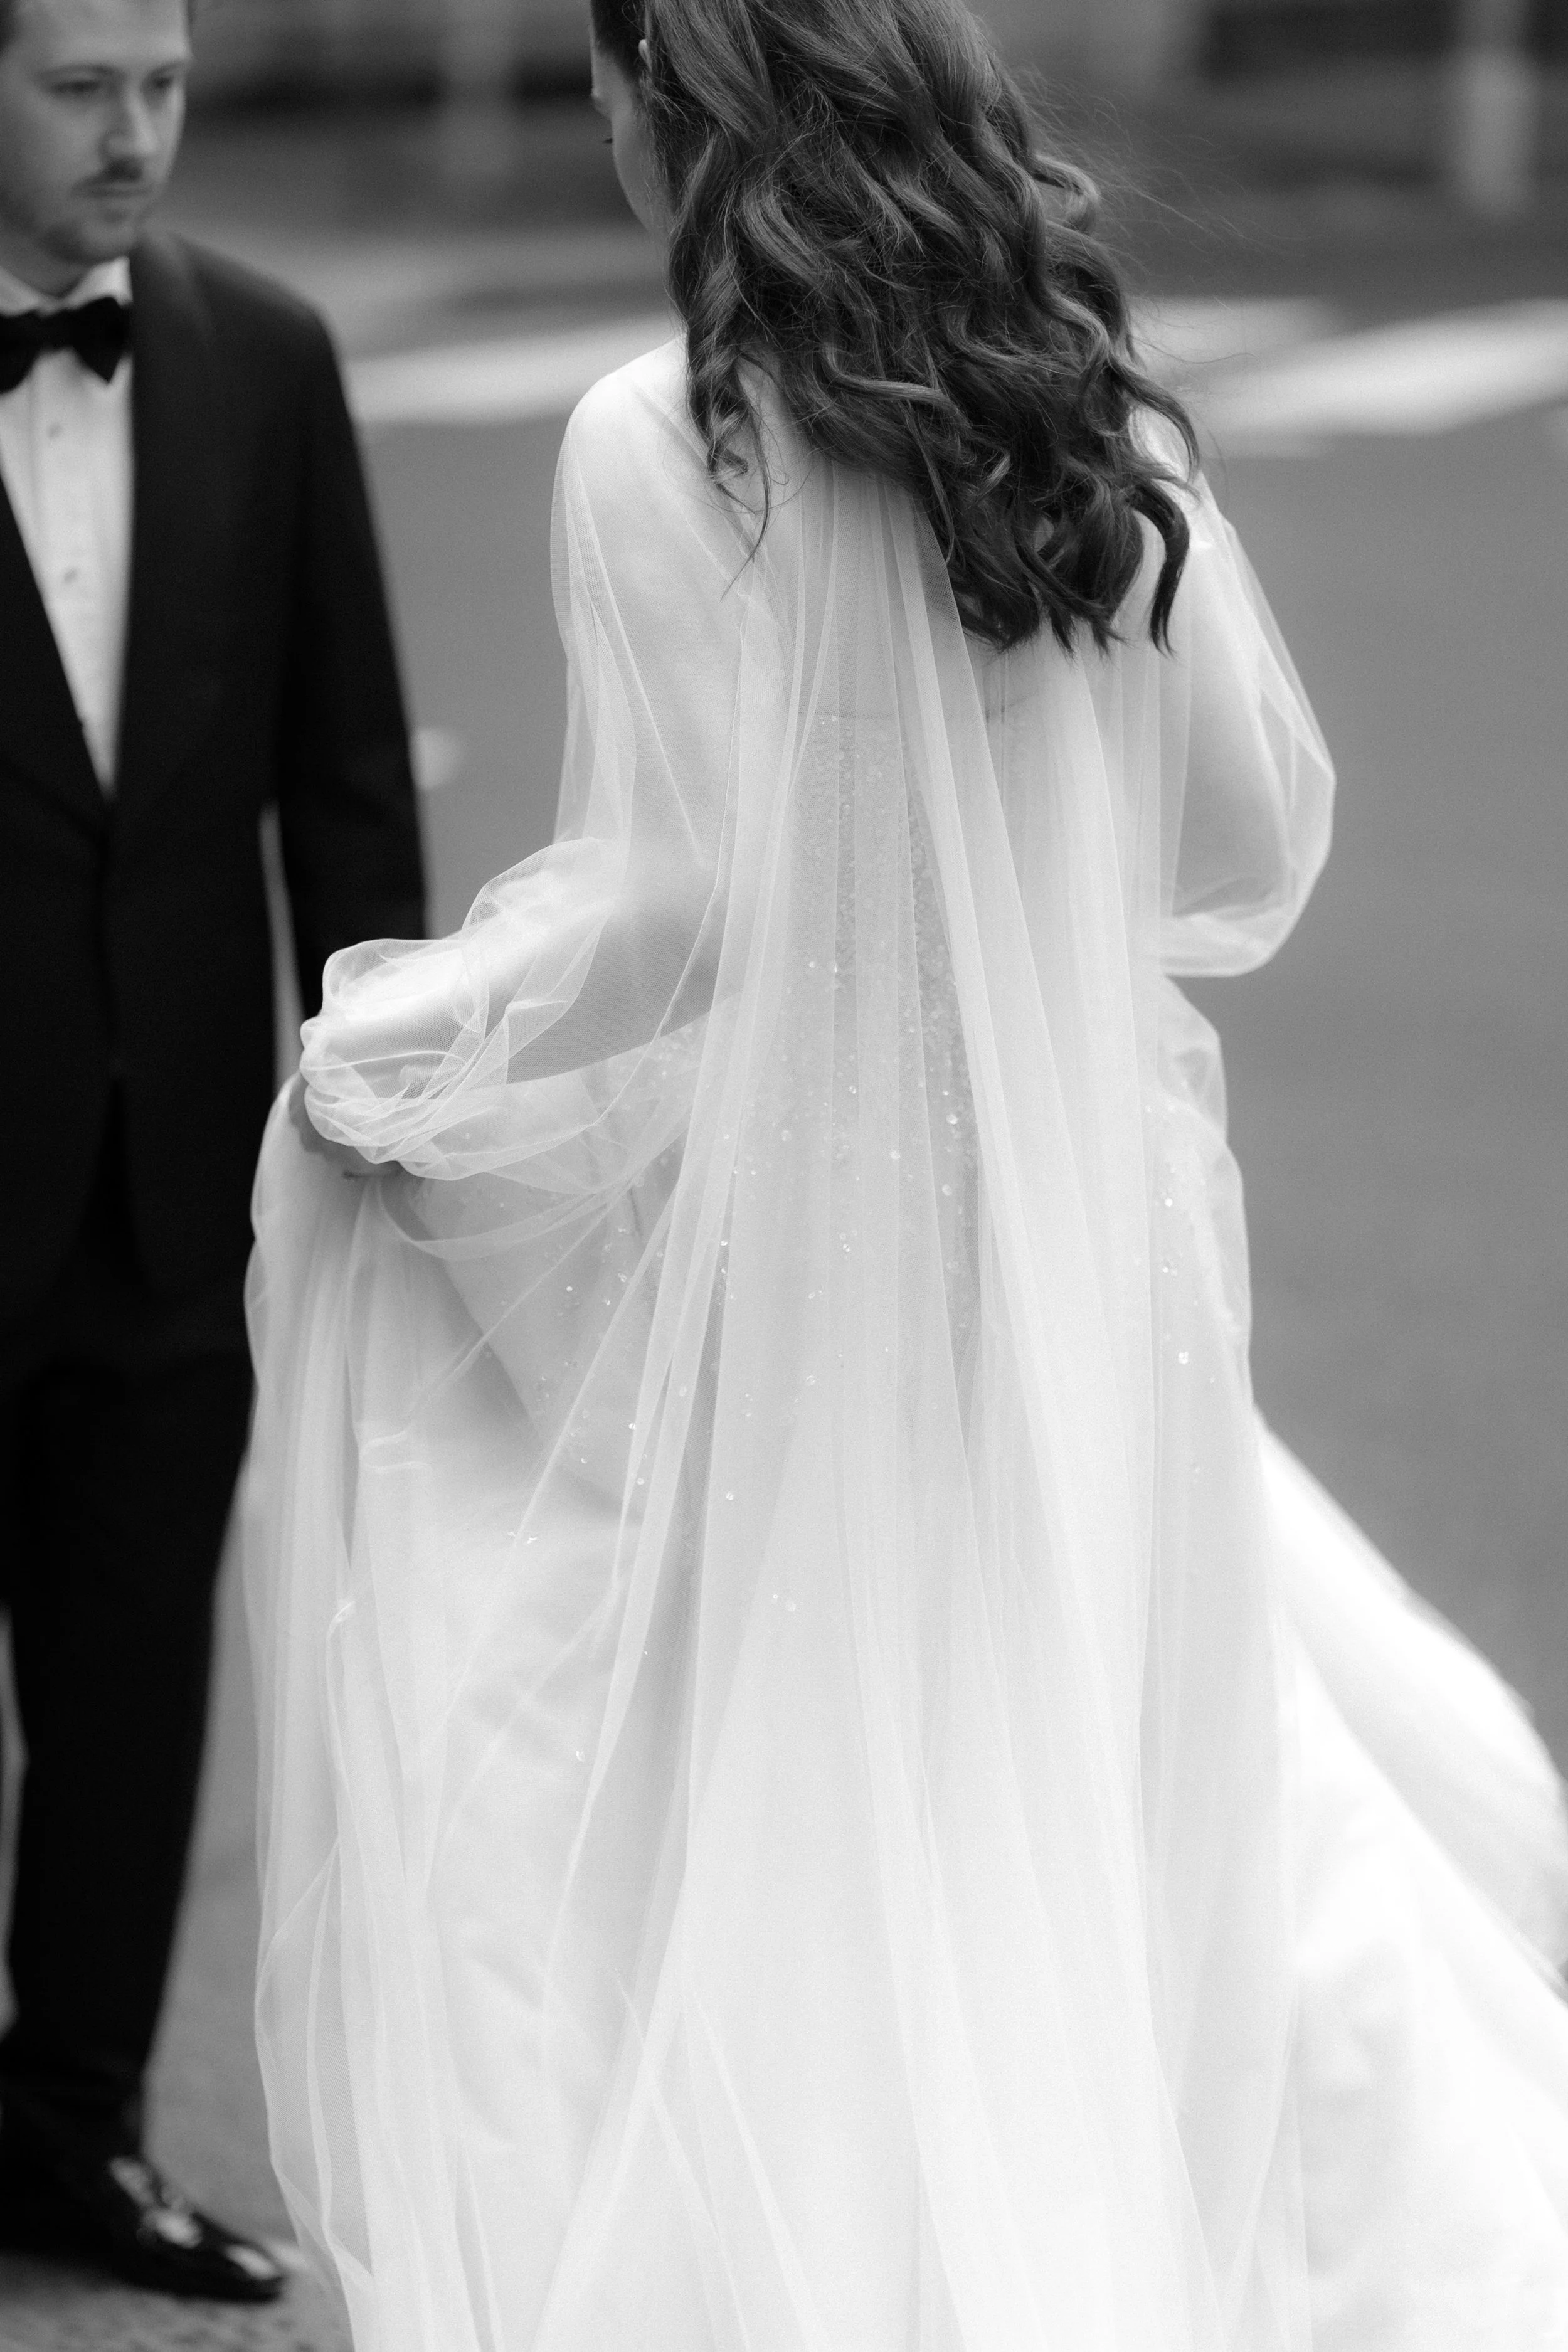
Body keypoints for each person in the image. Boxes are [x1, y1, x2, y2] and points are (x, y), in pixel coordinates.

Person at [248, 0, 1568, 2342]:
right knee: (1111, 1725)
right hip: (1090, 1210)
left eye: (601, 81)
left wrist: (412, 1032)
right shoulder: (1078, 407)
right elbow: (1236, 836)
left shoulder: (664, 434)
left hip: (820, 1233)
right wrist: (1009, 870)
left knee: (817, 1764)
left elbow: (694, 904)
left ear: (668, 105)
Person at [0, 0, 425, 2305]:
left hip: (177, 1185)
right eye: (82, 88)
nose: (138, 135)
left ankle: (72, 2135)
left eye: (162, 85)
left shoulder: (265, 357)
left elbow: (346, 783)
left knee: (134, 1693)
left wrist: (388, 1118)